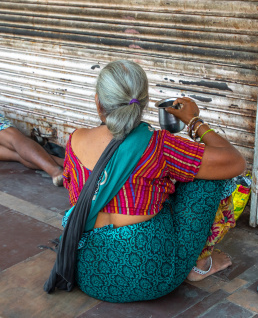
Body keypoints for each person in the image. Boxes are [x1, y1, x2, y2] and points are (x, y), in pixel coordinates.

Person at [48, 59, 246, 302]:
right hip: (153, 279)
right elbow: (235, 162)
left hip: (87, 274)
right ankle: (200, 264)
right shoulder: (159, 145)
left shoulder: (75, 140)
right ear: (142, 103)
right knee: (209, 178)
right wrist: (194, 120)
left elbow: (75, 192)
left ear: (98, 102)